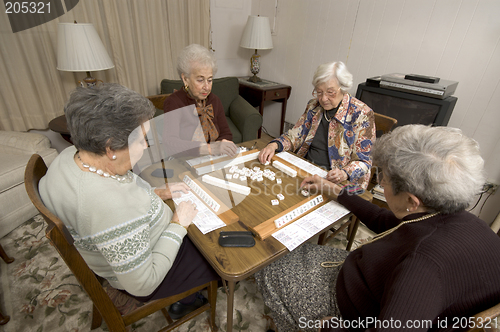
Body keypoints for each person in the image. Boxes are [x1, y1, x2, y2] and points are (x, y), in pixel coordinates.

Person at [255, 124, 500, 332]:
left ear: (411, 202)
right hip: (366, 279)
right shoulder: (458, 218)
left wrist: (333, 328)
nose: (380, 181)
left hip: (349, 310)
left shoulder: (423, 265)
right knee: (291, 253)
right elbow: (387, 222)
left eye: (384, 178)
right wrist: (339, 192)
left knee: (266, 264)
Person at [40, 83, 220, 320]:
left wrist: (154, 193)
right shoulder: (109, 204)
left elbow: (116, 204)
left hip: (126, 244)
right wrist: (178, 224)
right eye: (141, 139)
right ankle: (188, 297)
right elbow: (142, 284)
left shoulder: (67, 157)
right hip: (151, 274)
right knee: (216, 250)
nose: (146, 145)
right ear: (110, 148)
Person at [258, 61, 375, 189]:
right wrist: (274, 145)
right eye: (319, 92)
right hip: (306, 169)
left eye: (330, 92)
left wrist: (344, 173)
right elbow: (295, 135)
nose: (323, 98)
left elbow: (364, 161)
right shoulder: (314, 106)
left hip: (337, 182)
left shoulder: (362, 114)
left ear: (343, 88)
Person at [163, 43, 238, 157]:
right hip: (185, 161)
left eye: (210, 80)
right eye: (200, 80)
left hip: (213, 160)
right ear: (185, 79)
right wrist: (210, 148)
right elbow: (170, 144)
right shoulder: (173, 102)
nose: (207, 87)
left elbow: (226, 134)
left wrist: (220, 147)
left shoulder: (214, 100)